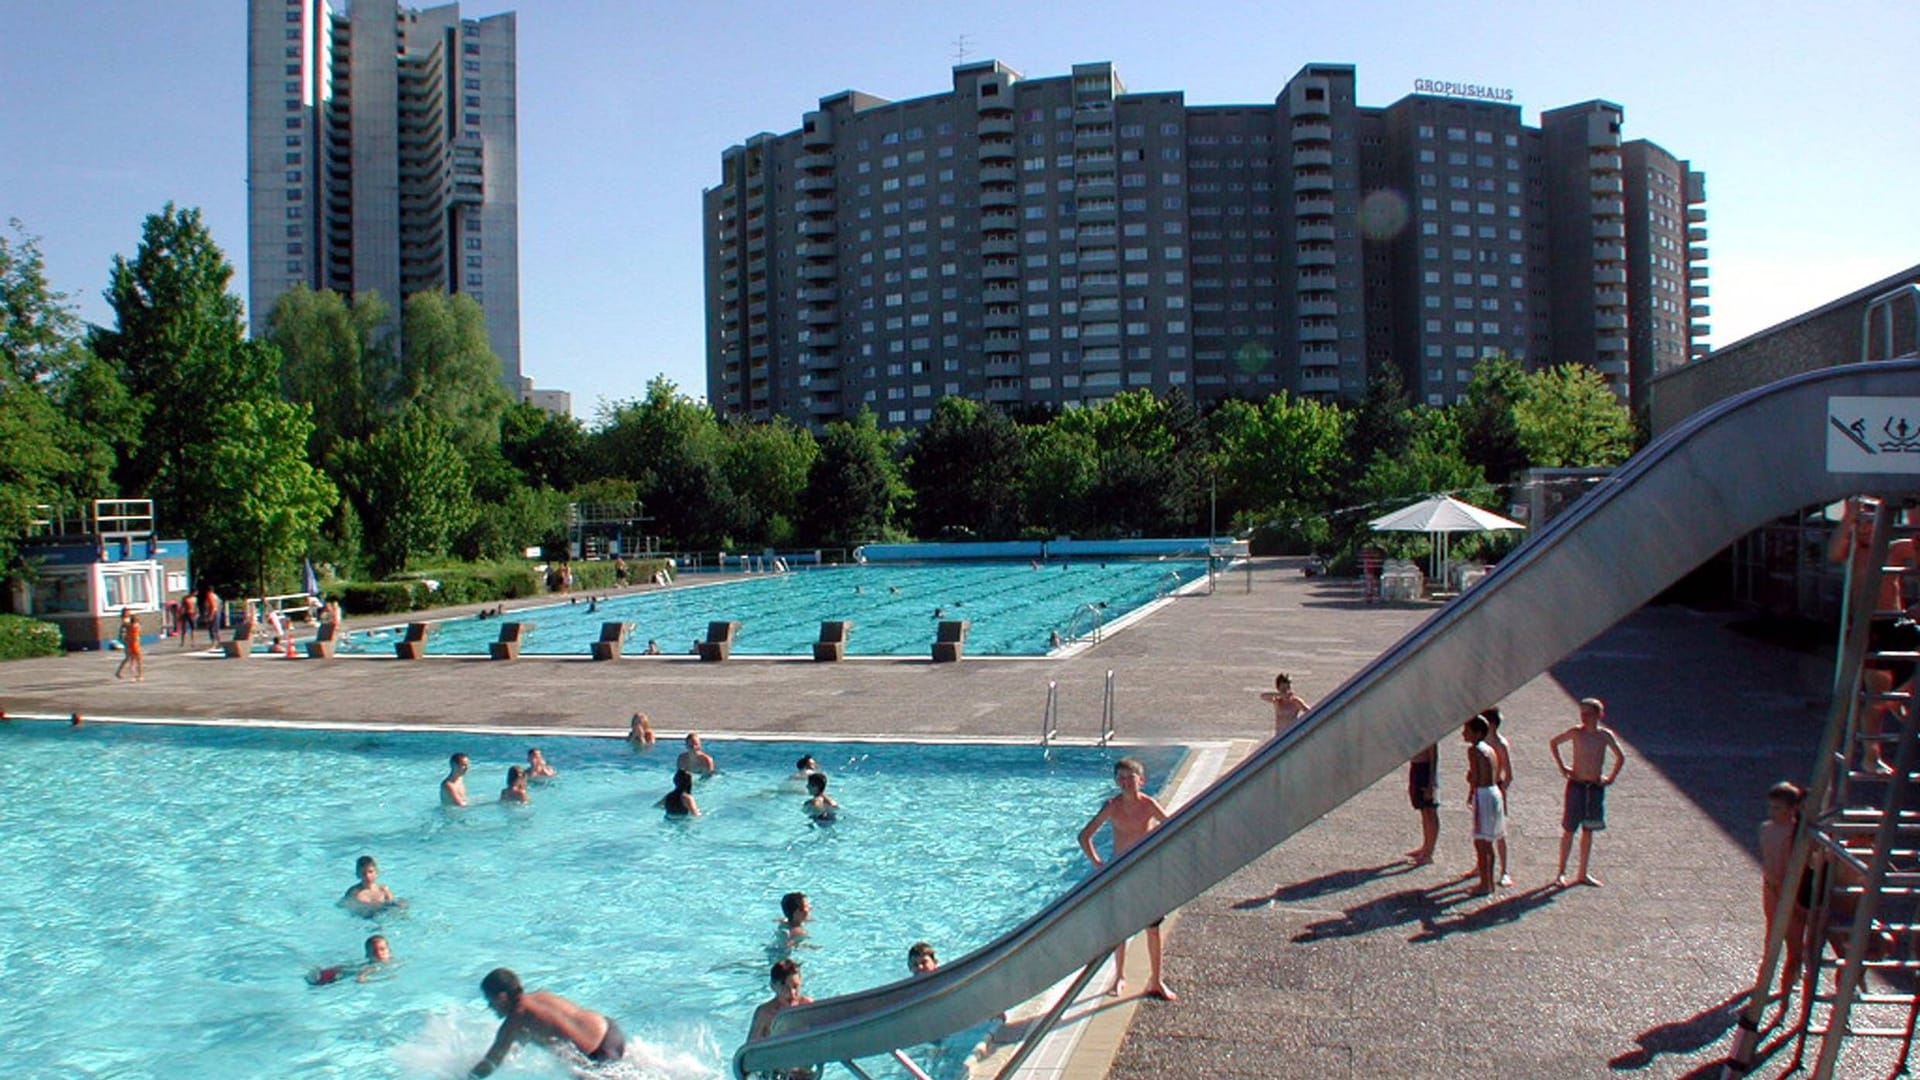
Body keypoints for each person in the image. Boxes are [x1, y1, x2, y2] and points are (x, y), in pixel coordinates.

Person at [1827, 496, 1919, 771]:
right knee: (1875, 694)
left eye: (1872, 523)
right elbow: (1833, 553)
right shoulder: (1854, 552)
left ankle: (1899, 695)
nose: (1867, 530)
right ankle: (1871, 754)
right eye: (1862, 524)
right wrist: (1848, 518)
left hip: (1896, 622)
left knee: (1909, 665)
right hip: (1869, 627)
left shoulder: (1894, 550)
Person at [1077, 757, 1178, 1000]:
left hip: (1145, 873)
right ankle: (1119, 976)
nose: (1124, 783)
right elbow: (1084, 836)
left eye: (1129, 778)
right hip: (1120, 872)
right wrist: (1100, 865)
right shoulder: (1113, 806)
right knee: (1120, 930)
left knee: (1152, 929)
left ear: (1141, 781)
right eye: (1120, 778)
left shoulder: (1149, 804)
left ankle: (1156, 980)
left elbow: (1174, 829)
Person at [470, 967, 626, 1076]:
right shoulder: (541, 996)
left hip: (598, 1056)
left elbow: (490, 1063)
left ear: (501, 998)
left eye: (490, 1001)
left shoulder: (515, 1022)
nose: (490, 1007)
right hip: (610, 1031)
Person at [1550, 697, 1625, 888]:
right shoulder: (1576, 733)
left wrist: (1611, 778)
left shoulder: (1604, 736)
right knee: (1569, 829)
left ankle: (1582, 872)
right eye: (1582, 713)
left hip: (1594, 787)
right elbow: (1554, 743)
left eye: (1588, 714)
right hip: (1576, 785)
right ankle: (1561, 872)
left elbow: (1620, 756)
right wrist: (1562, 767)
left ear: (1599, 715)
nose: (1584, 717)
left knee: (1588, 830)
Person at [1760, 780, 1810, 992]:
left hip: (1792, 891)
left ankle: (1789, 981)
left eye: (1778, 808)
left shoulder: (1798, 832)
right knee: (1772, 938)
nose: (1772, 812)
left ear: (1793, 809)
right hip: (1773, 889)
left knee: (1795, 942)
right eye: (1771, 807)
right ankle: (1764, 981)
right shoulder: (1767, 829)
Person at [747, 958, 816, 1078]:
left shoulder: (808, 1006)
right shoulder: (766, 1013)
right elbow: (749, 1053)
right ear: (773, 986)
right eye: (784, 987)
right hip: (773, 1070)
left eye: (795, 987)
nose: (792, 993)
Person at [1462, 715, 1505, 897]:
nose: (1464, 734)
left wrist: (1470, 789)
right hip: (1494, 793)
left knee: (1481, 842)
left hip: (1483, 795)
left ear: (1477, 732)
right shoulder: (1490, 749)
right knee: (1489, 841)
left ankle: (1485, 884)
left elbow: (1475, 777)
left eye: (1467, 731)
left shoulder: (1474, 751)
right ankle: (1488, 881)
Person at [1484, 708, 1515, 887]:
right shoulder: (1483, 741)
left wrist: (1501, 791)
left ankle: (1504, 871)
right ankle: (1481, 865)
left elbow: (1509, 774)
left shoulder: (1500, 744)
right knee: (1481, 829)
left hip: (1495, 788)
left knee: (1499, 832)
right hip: (1481, 787)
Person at [308, 934, 392, 986]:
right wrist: (384, 979)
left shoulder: (393, 962)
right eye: (374, 951)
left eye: (382, 949)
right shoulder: (371, 967)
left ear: (389, 950)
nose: (379, 953)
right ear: (367, 955)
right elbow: (360, 979)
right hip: (333, 975)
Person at [1405, 743, 1440, 865]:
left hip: (1425, 769)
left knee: (1430, 810)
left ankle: (1429, 852)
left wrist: (1432, 782)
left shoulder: (1430, 733)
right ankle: (1426, 846)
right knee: (1423, 810)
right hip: (1416, 767)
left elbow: (1434, 757)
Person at [1260, 673, 1310, 737]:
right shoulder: (1277, 700)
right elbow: (1263, 696)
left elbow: (1309, 712)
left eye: (1287, 688)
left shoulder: (1295, 701)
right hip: (1279, 735)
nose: (1286, 691)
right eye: (1283, 689)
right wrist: (1280, 695)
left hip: (1292, 734)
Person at [114, 608, 144, 682]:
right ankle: (120, 672)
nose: (129, 612)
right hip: (129, 642)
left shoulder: (128, 622)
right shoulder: (127, 622)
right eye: (127, 612)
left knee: (129, 658)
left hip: (130, 641)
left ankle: (120, 672)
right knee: (131, 658)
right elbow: (127, 630)